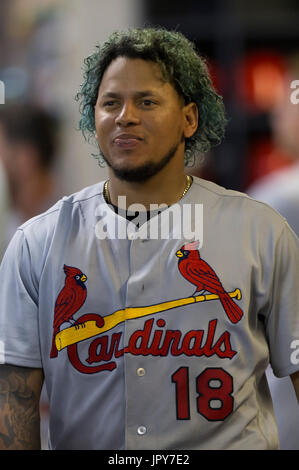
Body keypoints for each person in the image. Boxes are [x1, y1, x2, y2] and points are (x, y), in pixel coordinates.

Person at [0, 27, 298, 451]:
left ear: (189, 118)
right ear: (94, 117)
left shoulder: (261, 232)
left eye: (147, 101)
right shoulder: (37, 242)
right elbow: (14, 407)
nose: (126, 116)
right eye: (110, 103)